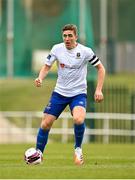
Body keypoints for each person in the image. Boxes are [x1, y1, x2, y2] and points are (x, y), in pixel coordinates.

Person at [34, 24, 105, 165]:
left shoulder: (85, 51)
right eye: (65, 36)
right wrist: (40, 78)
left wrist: (98, 89)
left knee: (78, 119)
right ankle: (38, 153)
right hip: (59, 93)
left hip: (78, 93)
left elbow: (100, 68)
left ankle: (78, 149)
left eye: (70, 35)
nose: (67, 38)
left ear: (76, 37)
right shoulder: (56, 49)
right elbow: (47, 66)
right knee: (45, 123)